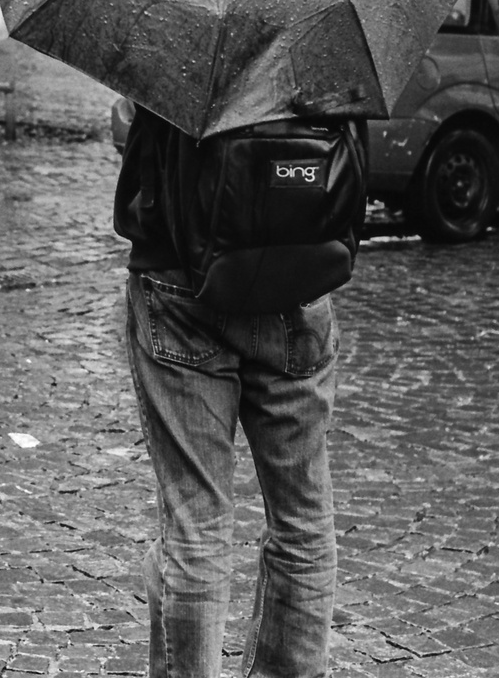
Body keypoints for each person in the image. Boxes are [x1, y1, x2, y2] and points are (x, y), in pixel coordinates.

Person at [114, 104, 366, 678]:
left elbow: (137, 144)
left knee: (196, 525)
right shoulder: (326, 25)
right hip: (301, 286)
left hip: (181, 282)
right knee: (302, 518)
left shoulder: (179, 20)